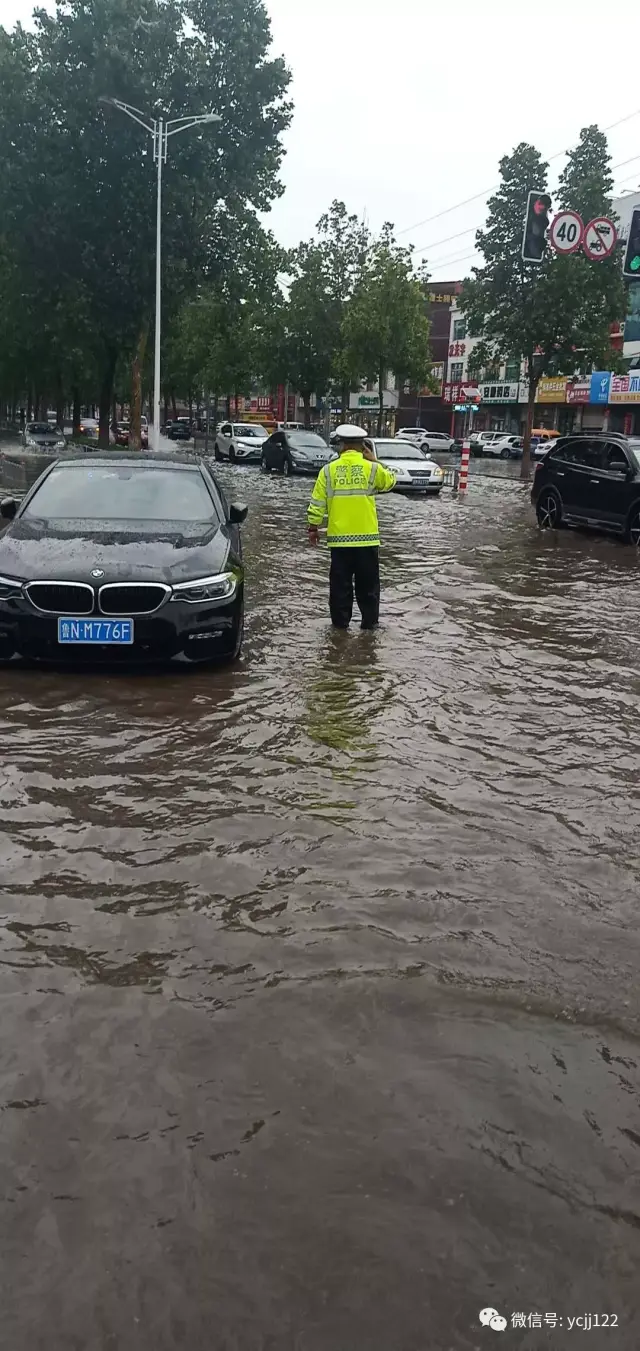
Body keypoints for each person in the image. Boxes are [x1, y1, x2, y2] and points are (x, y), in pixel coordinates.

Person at [307, 424, 396, 630]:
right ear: (363, 447)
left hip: (339, 541)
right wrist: (375, 460)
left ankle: (339, 631)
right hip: (367, 540)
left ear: (342, 445)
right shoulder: (372, 469)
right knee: (369, 588)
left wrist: (313, 528)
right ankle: (369, 628)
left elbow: (317, 503)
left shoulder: (328, 471)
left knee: (340, 588)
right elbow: (390, 481)